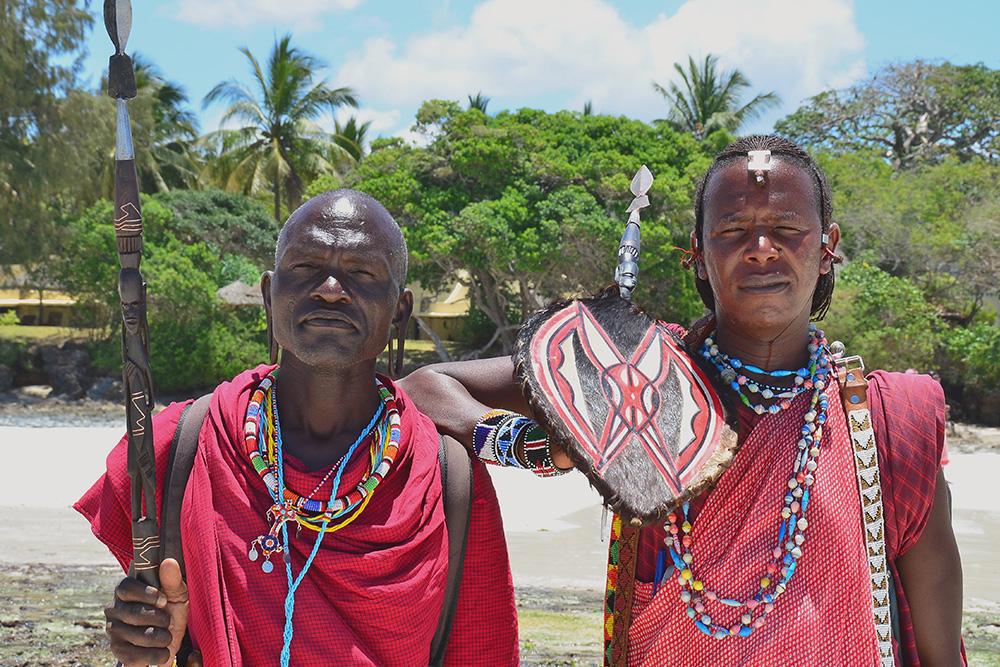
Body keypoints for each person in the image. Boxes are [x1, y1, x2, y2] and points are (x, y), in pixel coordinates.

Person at [400, 136, 964, 666]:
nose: (761, 250)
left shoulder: (890, 419)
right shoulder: (636, 375)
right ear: (697, 253)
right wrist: (542, 448)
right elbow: (428, 386)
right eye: (733, 229)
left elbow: (940, 648)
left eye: (787, 228)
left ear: (827, 247)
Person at [76, 190, 519, 667]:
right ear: (270, 295)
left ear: (399, 311)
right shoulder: (182, 442)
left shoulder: (447, 477)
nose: (330, 289)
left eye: (362, 272)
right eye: (306, 266)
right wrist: (145, 641)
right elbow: (157, 621)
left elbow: (479, 651)